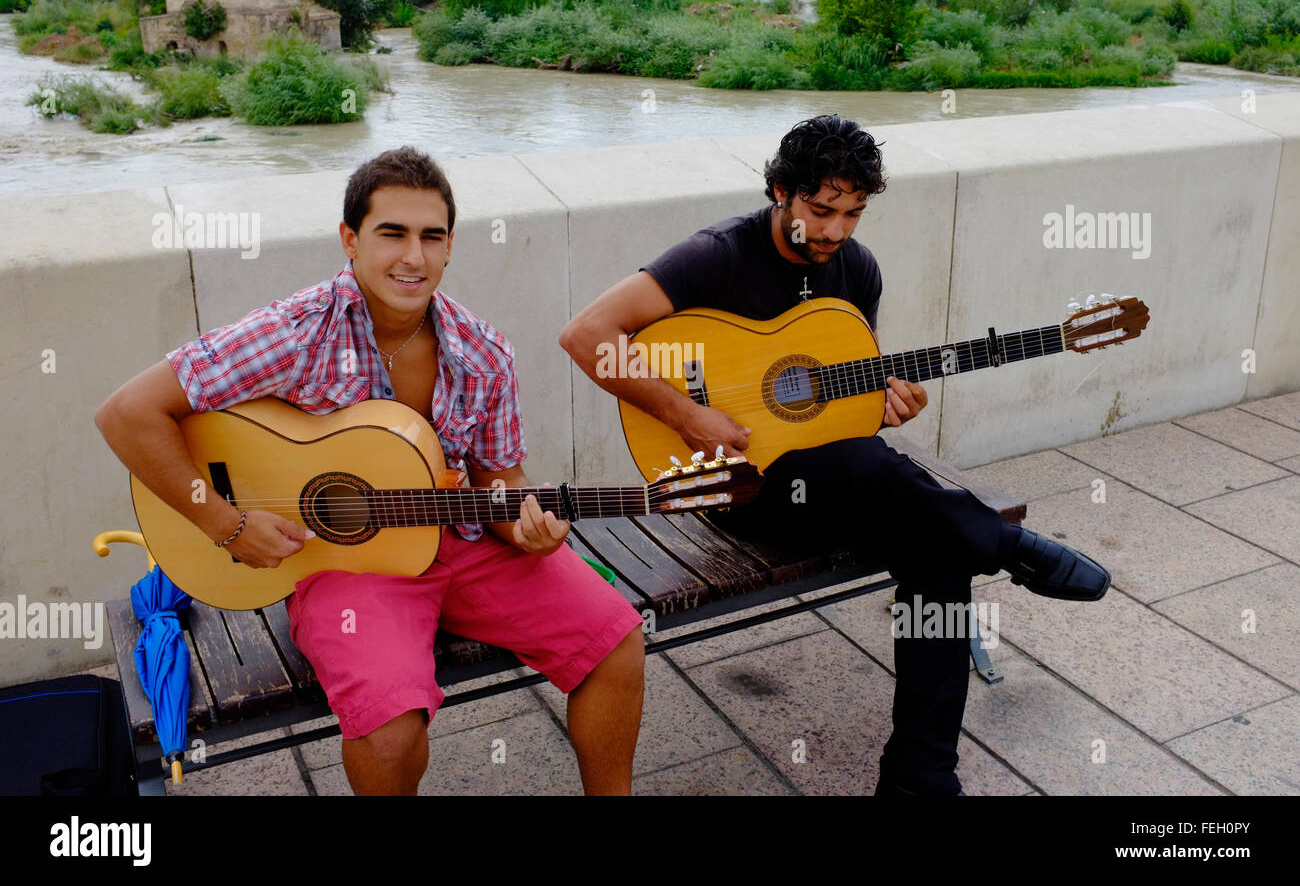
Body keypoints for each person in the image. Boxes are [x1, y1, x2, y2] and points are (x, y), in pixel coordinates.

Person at [559, 115, 1110, 796]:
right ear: (780, 192)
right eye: (821, 210)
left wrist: (884, 400)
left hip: (842, 481)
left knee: (934, 544)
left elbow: (845, 387)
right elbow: (586, 335)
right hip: (737, 486)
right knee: (887, 477)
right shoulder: (716, 256)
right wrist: (688, 413)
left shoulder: (855, 269)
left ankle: (919, 778)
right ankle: (1007, 542)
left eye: (852, 213)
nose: (835, 231)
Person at [95, 146, 645, 796]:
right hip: (341, 563)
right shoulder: (296, 333)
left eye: (431, 237)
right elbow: (127, 413)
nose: (413, 256)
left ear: (448, 250)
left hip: (459, 543)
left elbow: (501, 479)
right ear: (350, 240)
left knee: (617, 644)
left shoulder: (484, 351)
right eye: (393, 233)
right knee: (389, 733)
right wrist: (227, 522)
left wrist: (526, 525)